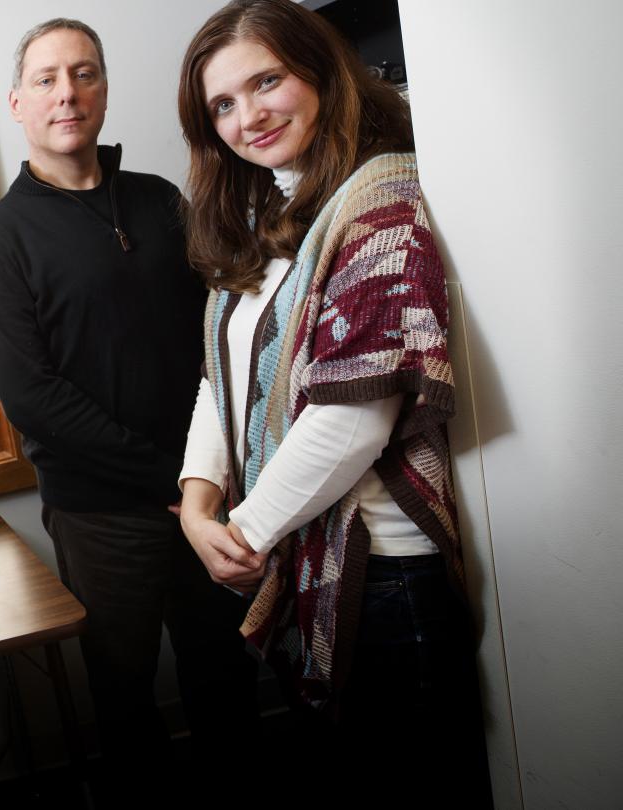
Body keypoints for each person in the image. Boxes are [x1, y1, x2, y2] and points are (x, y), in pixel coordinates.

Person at [175, 0, 489, 801]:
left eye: (266, 80)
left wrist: (238, 533)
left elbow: (357, 414)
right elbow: (222, 380)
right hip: (304, 551)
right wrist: (194, 504)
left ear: (317, 70)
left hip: (382, 575)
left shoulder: (380, 198)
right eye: (222, 104)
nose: (248, 116)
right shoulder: (267, 214)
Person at [0, 17, 259, 794]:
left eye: (85, 73)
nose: (68, 92)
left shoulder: (161, 202)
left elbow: (218, 340)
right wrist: (172, 481)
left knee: (226, 668)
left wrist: (206, 480)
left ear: (103, 90)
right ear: (18, 102)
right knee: (125, 694)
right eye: (48, 79)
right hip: (104, 513)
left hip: (207, 491)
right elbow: (35, 398)